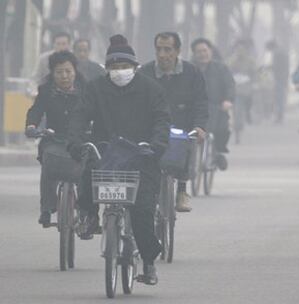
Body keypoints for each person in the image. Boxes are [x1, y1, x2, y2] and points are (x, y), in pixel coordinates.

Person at [67, 34, 170, 285]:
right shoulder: (95, 88)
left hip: (142, 155)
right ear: (107, 69)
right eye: (114, 67)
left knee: (143, 212)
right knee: (88, 171)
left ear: (135, 67)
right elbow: (80, 117)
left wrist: (156, 145)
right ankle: (88, 216)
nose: (120, 71)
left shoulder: (151, 89)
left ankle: (147, 262)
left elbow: (162, 121)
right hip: (107, 152)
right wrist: (76, 141)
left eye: (124, 67)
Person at [140, 32, 209, 213]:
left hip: (182, 127)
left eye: (168, 49)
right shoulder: (144, 73)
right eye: (159, 49)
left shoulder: (192, 72)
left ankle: (182, 190)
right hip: (152, 127)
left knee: (187, 147)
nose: (163, 54)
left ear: (178, 50)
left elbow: (201, 102)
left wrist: (199, 126)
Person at [25, 50, 86, 227]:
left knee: (86, 168)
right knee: (48, 164)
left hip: (79, 139)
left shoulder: (87, 89)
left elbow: (96, 111)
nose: (64, 76)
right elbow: (36, 110)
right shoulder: (45, 90)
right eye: (59, 72)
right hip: (53, 137)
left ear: (75, 71)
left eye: (68, 71)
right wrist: (31, 126)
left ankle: (86, 209)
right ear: (52, 73)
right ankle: (47, 207)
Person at [191, 37, 235, 169]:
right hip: (195, 108)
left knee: (222, 129)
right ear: (194, 54)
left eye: (205, 50)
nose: (203, 54)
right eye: (199, 51)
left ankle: (218, 154)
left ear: (210, 51)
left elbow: (230, 86)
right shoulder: (189, 69)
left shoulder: (221, 68)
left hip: (217, 107)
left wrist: (228, 100)